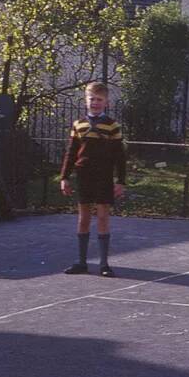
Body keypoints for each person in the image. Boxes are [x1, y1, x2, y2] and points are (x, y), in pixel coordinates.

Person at [60, 82, 126, 277]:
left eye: (99, 99)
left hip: (103, 176)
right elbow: (71, 153)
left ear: (106, 102)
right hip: (84, 176)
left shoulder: (112, 126)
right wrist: (64, 177)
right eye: (92, 99)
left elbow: (119, 157)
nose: (95, 103)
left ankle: (104, 264)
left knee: (103, 217)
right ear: (85, 101)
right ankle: (81, 262)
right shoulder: (78, 125)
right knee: (84, 219)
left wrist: (120, 181)